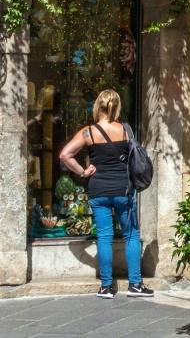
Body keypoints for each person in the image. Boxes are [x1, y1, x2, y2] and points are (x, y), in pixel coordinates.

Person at [57, 89, 152, 299]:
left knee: (104, 236)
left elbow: (65, 155)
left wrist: (82, 171)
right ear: (116, 106)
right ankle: (135, 285)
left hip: (98, 189)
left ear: (97, 106)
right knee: (131, 235)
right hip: (123, 190)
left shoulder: (88, 132)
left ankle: (106, 287)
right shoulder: (126, 130)